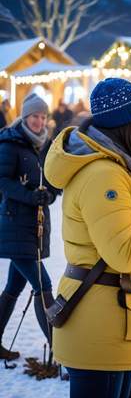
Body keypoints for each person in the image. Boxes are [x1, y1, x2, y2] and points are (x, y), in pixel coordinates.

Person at [44, 78, 131, 398]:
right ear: (126, 125)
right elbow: (124, 251)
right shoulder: (104, 175)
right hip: (102, 330)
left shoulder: (118, 168)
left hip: (117, 325)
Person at [0, 93, 59, 360]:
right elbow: (2, 181)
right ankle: (60, 350)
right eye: (34, 116)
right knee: (43, 284)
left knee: (14, 287)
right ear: (25, 117)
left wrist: (50, 193)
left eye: (43, 116)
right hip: (15, 226)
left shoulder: (40, 145)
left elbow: (48, 180)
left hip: (32, 228)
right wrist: (29, 195)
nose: (39, 121)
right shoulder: (11, 143)